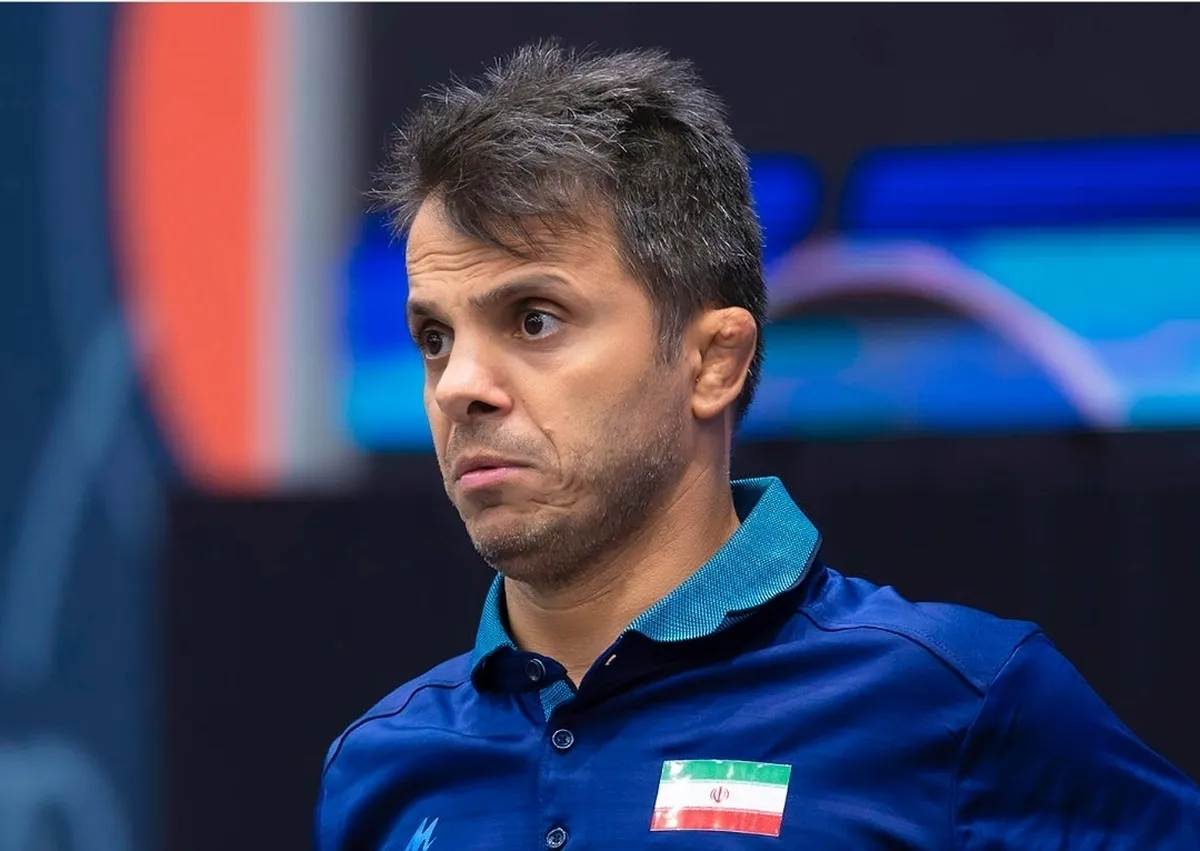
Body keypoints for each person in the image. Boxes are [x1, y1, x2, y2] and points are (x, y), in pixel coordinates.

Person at [315, 41, 1200, 849]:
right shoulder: (382, 766)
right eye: (435, 338)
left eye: (534, 318)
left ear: (714, 361)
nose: (459, 385)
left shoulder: (958, 701)